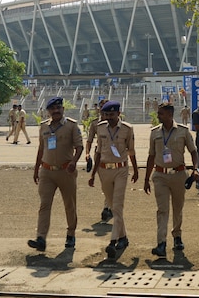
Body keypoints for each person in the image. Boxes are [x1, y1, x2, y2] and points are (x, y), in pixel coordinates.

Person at [143, 102, 199, 258]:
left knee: (177, 207)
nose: (158, 116)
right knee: (162, 210)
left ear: (169, 114)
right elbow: (151, 156)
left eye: (161, 113)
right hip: (160, 175)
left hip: (179, 175)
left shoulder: (183, 131)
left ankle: (177, 236)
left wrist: (196, 169)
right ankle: (161, 243)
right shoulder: (154, 133)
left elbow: (193, 152)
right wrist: (146, 178)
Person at [29, 96, 83, 252]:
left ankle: (71, 234)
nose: (56, 111)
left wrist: (74, 161)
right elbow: (41, 149)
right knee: (44, 205)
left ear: (63, 109)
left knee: (69, 205)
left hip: (66, 171)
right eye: (53, 109)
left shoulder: (71, 126)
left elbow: (79, 147)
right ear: (48, 112)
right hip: (46, 172)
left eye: (58, 108)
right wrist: (36, 168)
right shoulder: (44, 127)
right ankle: (41, 238)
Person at [87, 101, 138, 260]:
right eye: (106, 115)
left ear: (118, 113)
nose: (109, 118)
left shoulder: (127, 129)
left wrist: (136, 170)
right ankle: (123, 238)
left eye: (112, 115)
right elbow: (98, 151)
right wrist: (93, 174)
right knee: (113, 206)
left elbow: (131, 151)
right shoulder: (100, 127)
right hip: (104, 170)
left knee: (117, 206)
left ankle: (113, 241)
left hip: (121, 170)